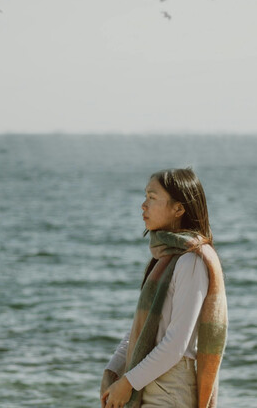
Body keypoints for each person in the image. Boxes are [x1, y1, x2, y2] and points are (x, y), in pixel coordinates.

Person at [99, 167, 228, 408]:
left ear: (178, 209)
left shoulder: (191, 261)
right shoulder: (165, 259)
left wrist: (128, 383)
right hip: (148, 378)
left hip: (170, 388)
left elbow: (176, 344)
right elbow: (142, 328)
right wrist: (113, 370)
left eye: (152, 197)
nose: (143, 205)